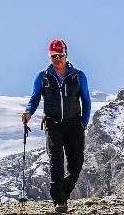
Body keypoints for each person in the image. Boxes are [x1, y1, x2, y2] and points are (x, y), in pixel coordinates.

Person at [22, 39, 91, 213]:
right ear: (50, 56)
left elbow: (87, 101)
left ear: (66, 55)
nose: (57, 59)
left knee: (76, 165)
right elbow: (35, 98)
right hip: (53, 124)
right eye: (54, 56)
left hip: (74, 123)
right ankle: (59, 200)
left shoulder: (78, 75)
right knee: (56, 161)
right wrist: (28, 112)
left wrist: (83, 122)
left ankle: (63, 192)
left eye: (60, 55)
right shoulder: (43, 76)